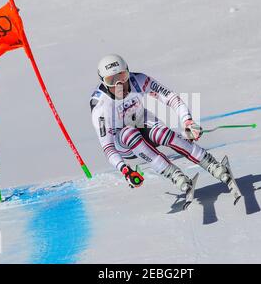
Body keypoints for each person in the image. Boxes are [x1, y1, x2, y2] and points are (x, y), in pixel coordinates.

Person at [90, 54, 231, 196]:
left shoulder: (138, 80)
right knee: (128, 132)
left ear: (128, 72)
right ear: (103, 82)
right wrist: (125, 170)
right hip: (125, 145)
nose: (118, 84)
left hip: (142, 122)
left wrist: (187, 120)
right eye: (111, 81)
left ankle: (211, 164)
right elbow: (108, 148)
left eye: (122, 76)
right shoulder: (100, 105)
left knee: (164, 134)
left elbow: (170, 97)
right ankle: (175, 175)